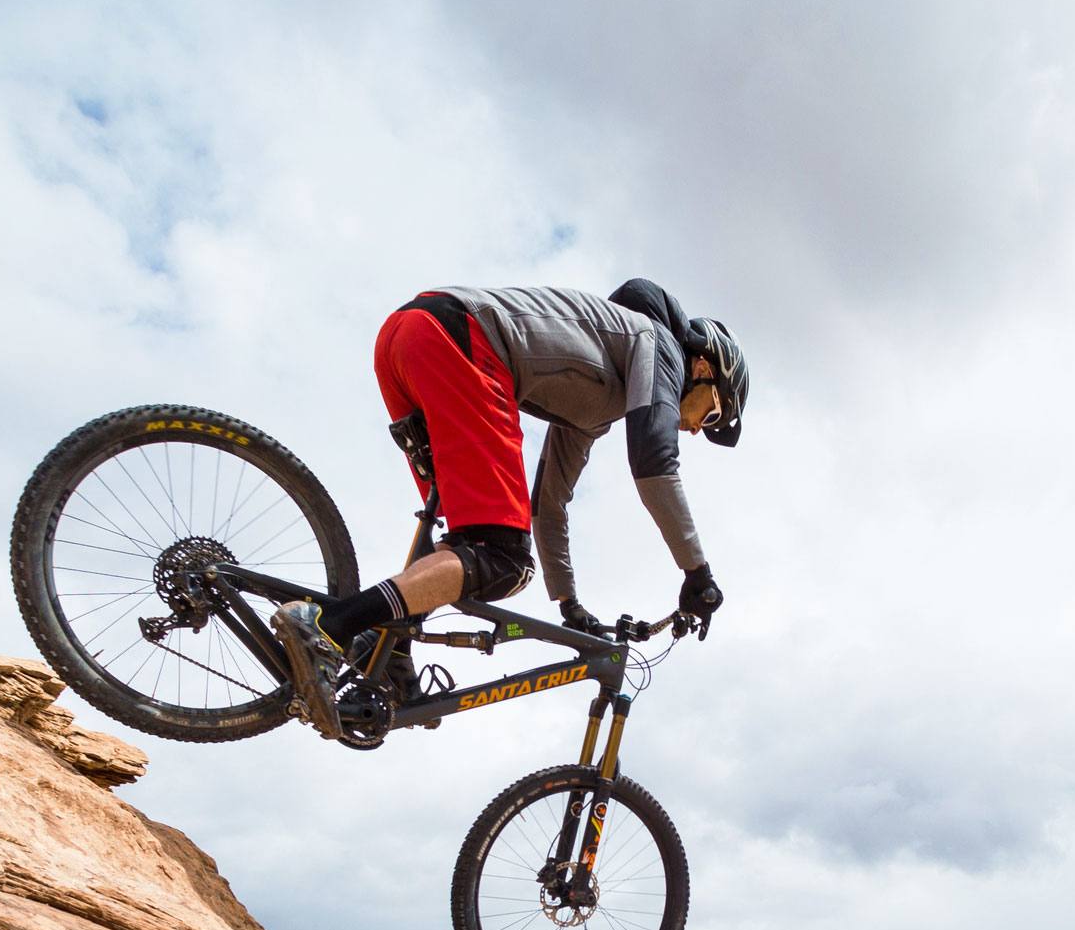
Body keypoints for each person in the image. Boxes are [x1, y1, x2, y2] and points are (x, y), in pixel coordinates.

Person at [276, 278, 745, 732]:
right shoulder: (657, 344)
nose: (700, 428)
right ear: (703, 367)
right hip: (461, 342)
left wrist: (568, 602)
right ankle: (331, 625)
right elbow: (654, 462)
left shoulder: (599, 392)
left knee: (475, 546)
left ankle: (384, 644)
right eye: (714, 413)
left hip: (408, 338)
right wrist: (698, 574)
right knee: (502, 560)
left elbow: (548, 503)